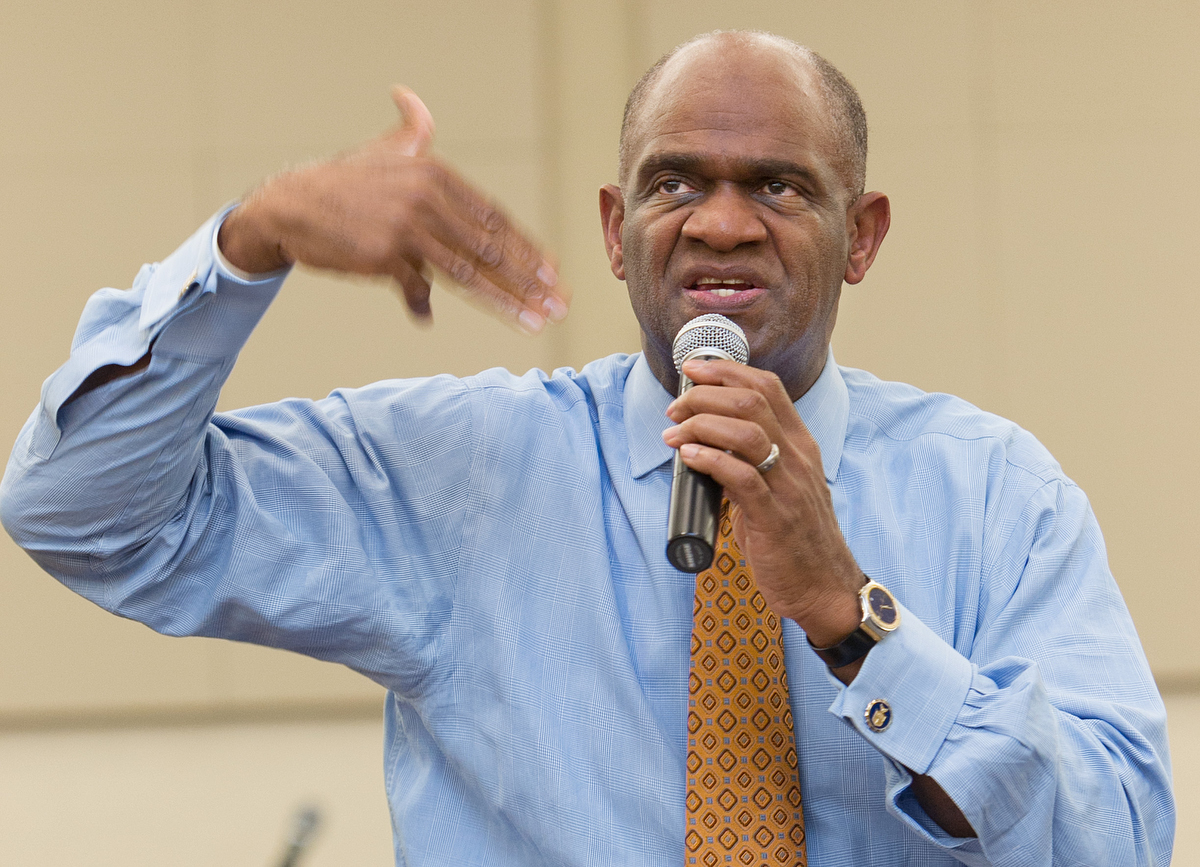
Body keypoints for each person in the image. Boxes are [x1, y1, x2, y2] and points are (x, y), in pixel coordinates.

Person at [0, 30, 1173, 867]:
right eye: (676, 183)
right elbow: (81, 512)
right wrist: (247, 243)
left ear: (859, 236)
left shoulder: (995, 495)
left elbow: (1118, 844)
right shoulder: (462, 475)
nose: (720, 222)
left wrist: (850, 618)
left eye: (776, 184)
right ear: (618, 232)